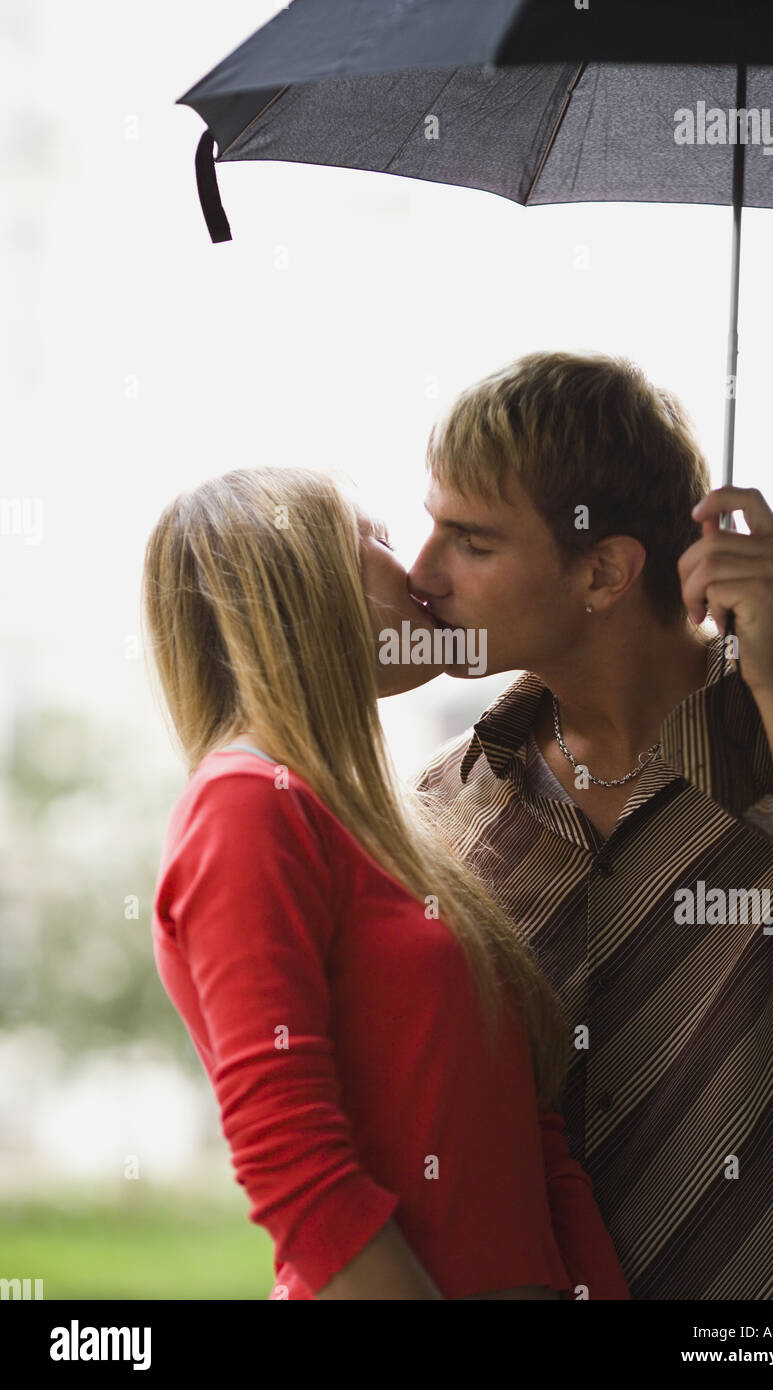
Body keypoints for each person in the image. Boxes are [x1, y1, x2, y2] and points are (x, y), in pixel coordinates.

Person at [408, 349, 773, 1300]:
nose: (424, 576)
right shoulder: (441, 811)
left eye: (471, 542)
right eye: (430, 531)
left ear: (606, 570)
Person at [142, 465, 630, 1300]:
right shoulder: (243, 806)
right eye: (375, 540)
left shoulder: (404, 836)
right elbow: (297, 1169)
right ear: (293, 586)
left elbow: (535, 1145)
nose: (419, 572)